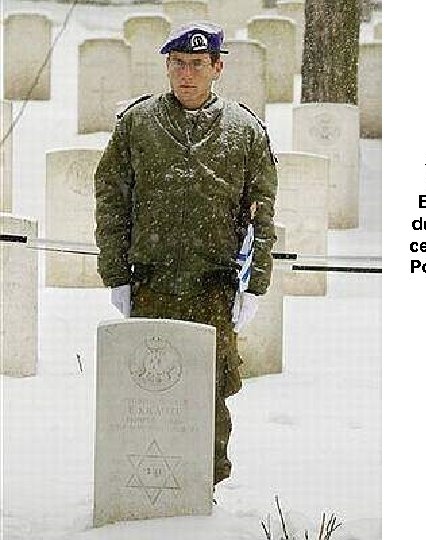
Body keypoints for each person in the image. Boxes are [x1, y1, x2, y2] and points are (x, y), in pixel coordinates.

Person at [94, 22, 278, 487]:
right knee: (148, 390)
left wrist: (255, 283)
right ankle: (145, 484)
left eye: (197, 64)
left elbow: (263, 213)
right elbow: (111, 198)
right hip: (151, 281)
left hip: (213, 285)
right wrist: (115, 272)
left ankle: (203, 492)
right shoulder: (138, 124)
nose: (186, 74)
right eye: (178, 64)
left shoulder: (244, 130)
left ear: (217, 67)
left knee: (212, 391)